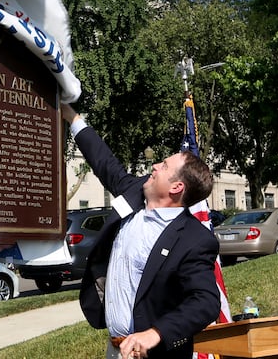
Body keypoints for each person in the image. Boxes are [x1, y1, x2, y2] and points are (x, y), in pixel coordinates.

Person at [61, 103, 219, 359]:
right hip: (114, 350)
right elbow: (103, 161)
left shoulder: (194, 239)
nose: (155, 165)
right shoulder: (134, 193)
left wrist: (156, 333)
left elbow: (206, 301)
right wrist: (72, 116)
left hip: (156, 354)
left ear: (177, 187)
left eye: (165, 166)